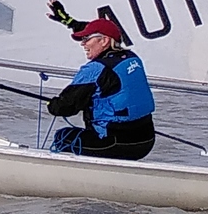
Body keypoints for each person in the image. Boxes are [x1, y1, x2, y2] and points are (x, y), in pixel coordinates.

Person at [43, 10, 156, 159]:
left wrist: (52, 104)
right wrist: (71, 23)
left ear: (104, 41)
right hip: (146, 141)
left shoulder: (95, 69)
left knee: (63, 137)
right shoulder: (132, 58)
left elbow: (64, 107)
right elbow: (108, 31)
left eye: (86, 39)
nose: (83, 44)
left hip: (115, 143)